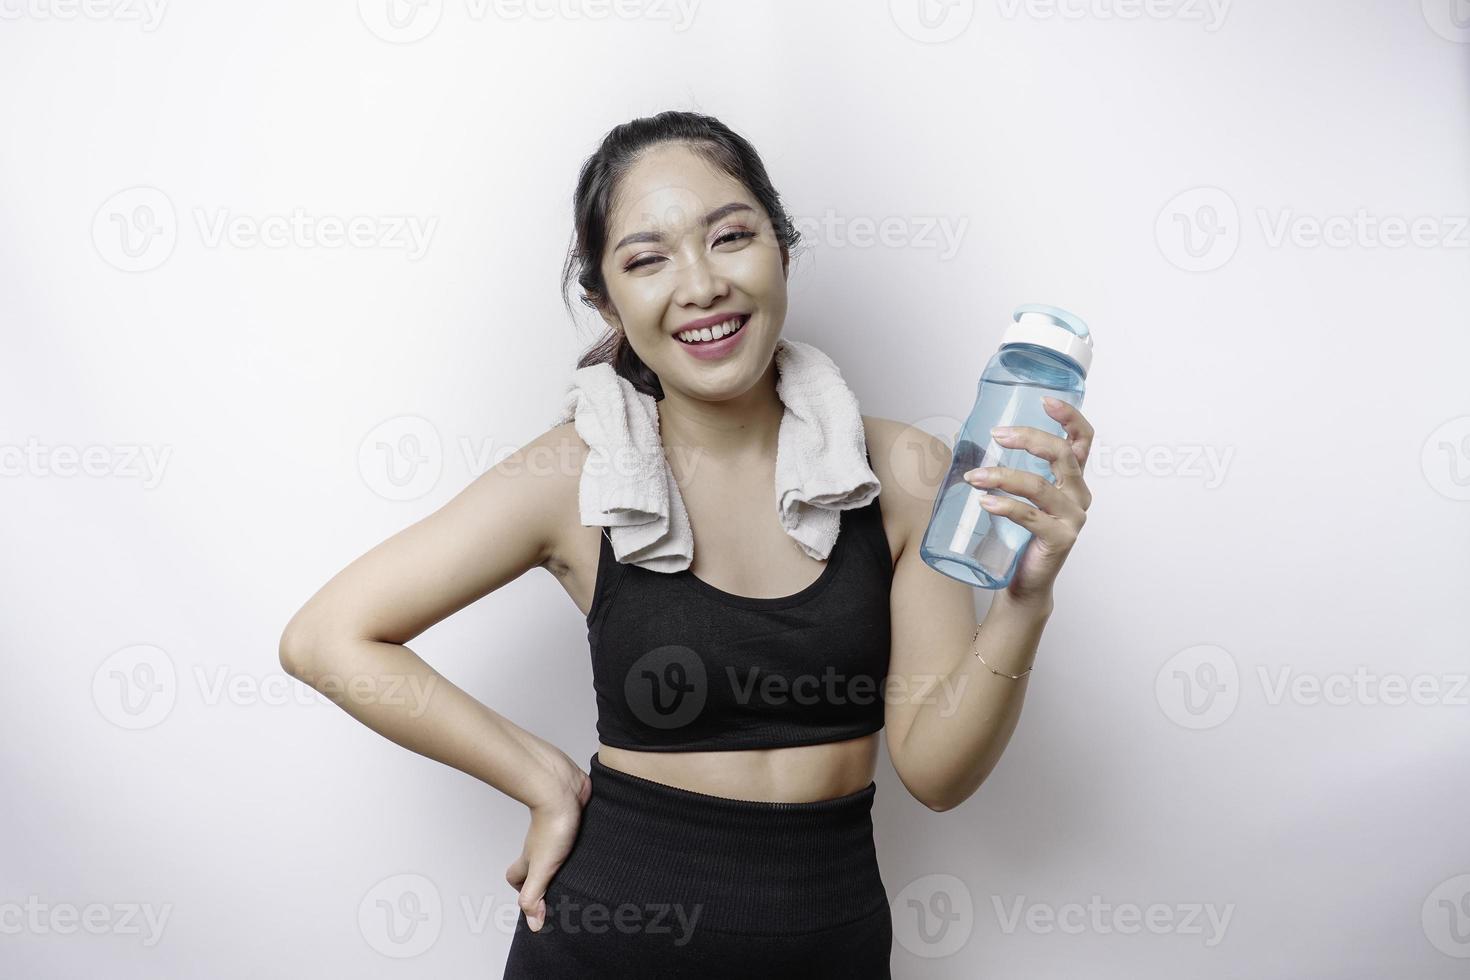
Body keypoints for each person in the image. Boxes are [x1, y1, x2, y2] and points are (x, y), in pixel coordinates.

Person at [278, 109, 1096, 978]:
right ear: (606, 297)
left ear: (780, 247)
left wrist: (1024, 600)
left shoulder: (904, 473)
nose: (701, 285)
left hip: (833, 948)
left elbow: (936, 774)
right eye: (647, 259)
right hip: (605, 946)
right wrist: (542, 778)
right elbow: (326, 636)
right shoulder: (574, 476)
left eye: (731, 236)